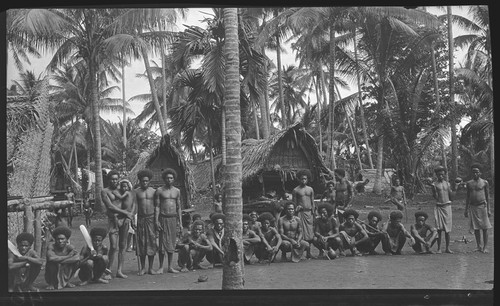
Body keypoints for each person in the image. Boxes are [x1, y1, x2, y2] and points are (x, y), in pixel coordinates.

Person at [101, 170, 135, 279]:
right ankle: (108, 270)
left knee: (122, 245)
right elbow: (110, 206)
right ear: (108, 180)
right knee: (113, 246)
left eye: (116, 179)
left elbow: (131, 201)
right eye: (112, 179)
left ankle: (119, 270)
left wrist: (129, 215)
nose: (114, 181)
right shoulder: (104, 191)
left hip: (124, 221)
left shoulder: (122, 190)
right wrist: (126, 212)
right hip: (113, 221)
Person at [155, 168, 182, 274]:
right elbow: (157, 206)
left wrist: (180, 222)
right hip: (163, 218)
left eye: (171, 178)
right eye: (167, 178)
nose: (169, 180)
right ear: (164, 179)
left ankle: (170, 266)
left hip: (173, 218)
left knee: (171, 243)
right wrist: (156, 221)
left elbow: (179, 207)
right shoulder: (159, 191)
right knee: (162, 244)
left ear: (174, 179)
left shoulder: (177, 191)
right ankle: (161, 267)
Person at [134, 169, 159, 276]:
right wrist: (133, 221)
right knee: (142, 243)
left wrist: (157, 221)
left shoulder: (154, 191)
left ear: (149, 181)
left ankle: (151, 268)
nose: (144, 183)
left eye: (146, 181)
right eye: (142, 181)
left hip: (151, 219)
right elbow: (134, 207)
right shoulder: (136, 192)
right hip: (140, 219)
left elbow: (157, 206)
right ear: (139, 181)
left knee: (152, 243)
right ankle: (143, 268)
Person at [465, 164, 492, 253]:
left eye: (477, 172)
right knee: (476, 227)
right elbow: (468, 197)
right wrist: (466, 209)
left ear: (480, 173)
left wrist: (488, 209)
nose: (475, 174)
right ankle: (478, 246)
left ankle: (485, 247)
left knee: (485, 227)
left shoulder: (485, 182)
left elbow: (488, 196)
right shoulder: (469, 183)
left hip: (482, 206)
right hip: (473, 207)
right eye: (473, 172)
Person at [293, 169, 316, 259]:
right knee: (301, 232)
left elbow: (312, 201)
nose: (303, 181)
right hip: (301, 213)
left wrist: (313, 213)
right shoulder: (296, 190)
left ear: (307, 179)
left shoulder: (310, 189)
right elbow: (294, 203)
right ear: (299, 179)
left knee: (309, 233)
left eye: (305, 179)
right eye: (302, 179)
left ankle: (309, 253)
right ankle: (301, 252)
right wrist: (296, 210)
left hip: (309, 213)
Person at [431, 166, 454, 254]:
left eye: (442, 174)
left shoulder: (447, 184)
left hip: (447, 206)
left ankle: (447, 248)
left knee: (448, 230)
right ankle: (439, 248)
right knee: (439, 229)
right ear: (436, 175)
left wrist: (455, 188)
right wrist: (434, 190)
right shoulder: (434, 184)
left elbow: (451, 197)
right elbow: (436, 197)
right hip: (439, 207)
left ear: (444, 174)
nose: (441, 176)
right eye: (439, 174)